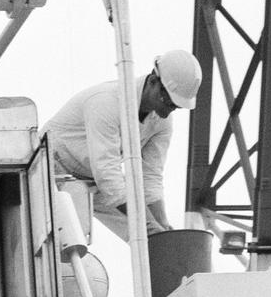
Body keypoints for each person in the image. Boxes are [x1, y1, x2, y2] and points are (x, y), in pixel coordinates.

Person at [42, 49, 203, 241]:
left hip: (94, 178)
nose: (170, 111)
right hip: (50, 168)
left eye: (176, 107)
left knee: (152, 237)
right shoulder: (106, 102)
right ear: (153, 82)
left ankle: (165, 263)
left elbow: (150, 177)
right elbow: (108, 174)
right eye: (168, 102)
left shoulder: (162, 122)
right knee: (60, 240)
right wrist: (149, 224)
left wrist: (162, 225)